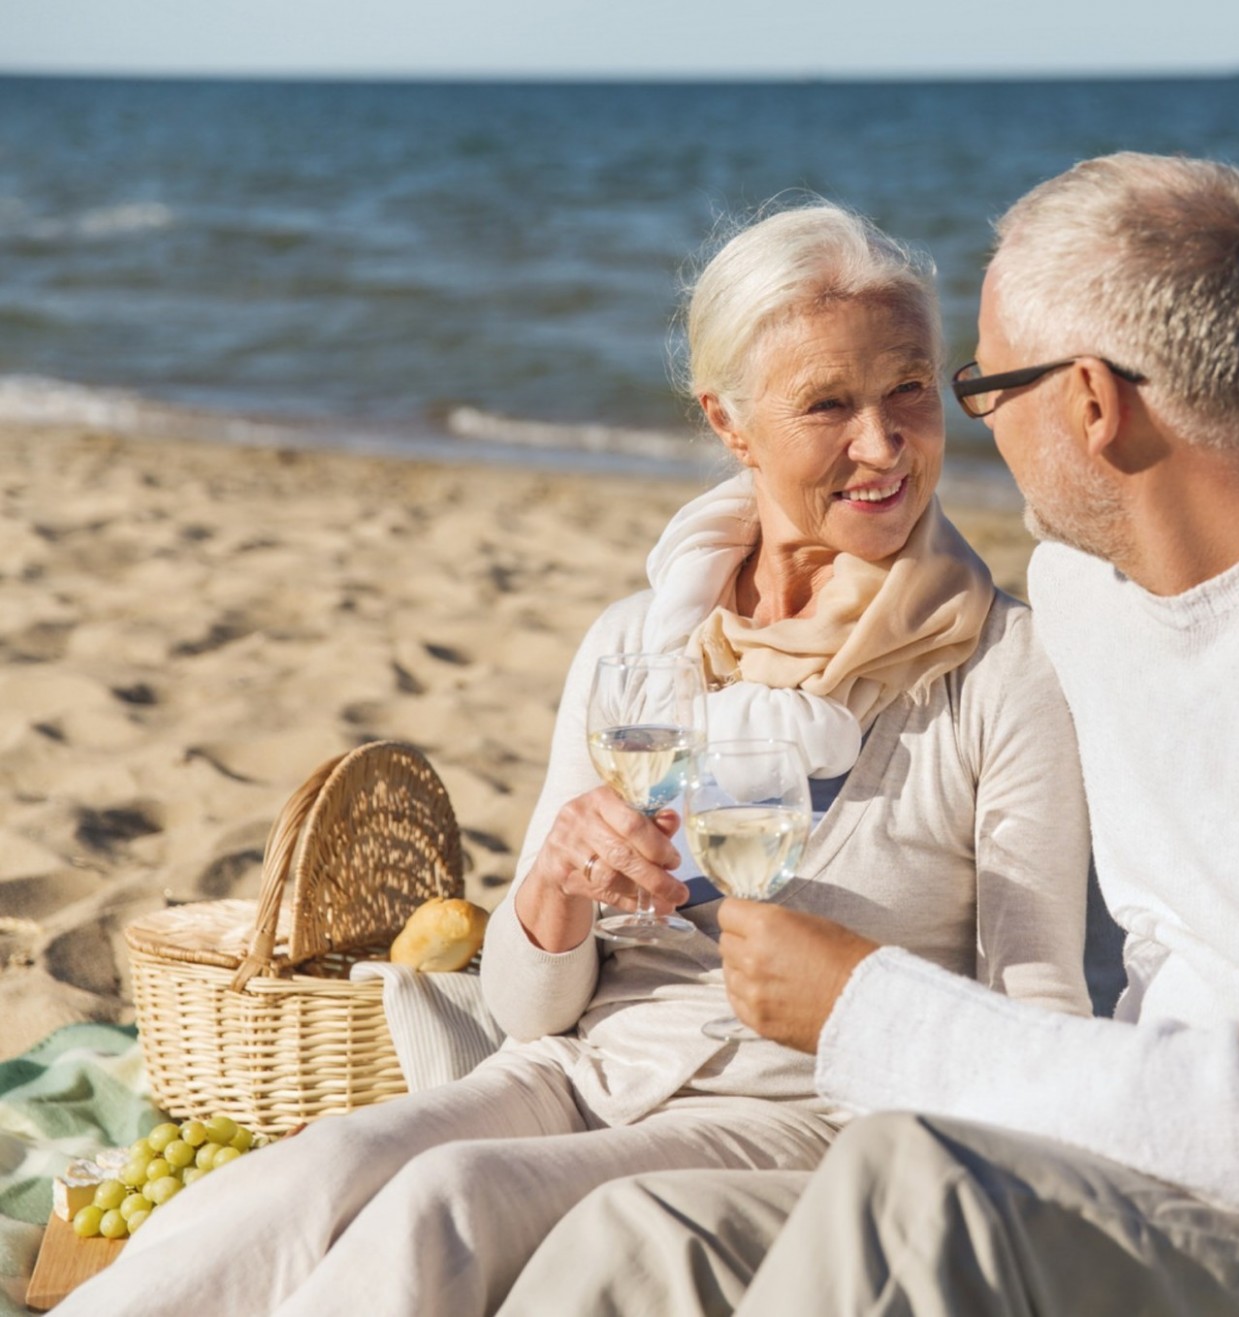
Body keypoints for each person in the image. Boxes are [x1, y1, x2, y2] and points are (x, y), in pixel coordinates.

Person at [505, 154, 1239, 1317]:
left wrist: (862, 1003)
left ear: (1088, 401)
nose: (959, 427)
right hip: (1161, 1167)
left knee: (911, 1190)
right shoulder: (1087, 595)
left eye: (979, 387)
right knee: (645, 1235)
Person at [62, 203, 1093, 1317]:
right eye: (828, 405)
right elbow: (523, 1011)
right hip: (575, 1070)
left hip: (803, 1113)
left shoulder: (1000, 671)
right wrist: (553, 888)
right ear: (730, 423)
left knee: (448, 1200)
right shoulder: (635, 649)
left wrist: (852, 998)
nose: (885, 443)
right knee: (307, 1179)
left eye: (908, 390)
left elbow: (1040, 1011)